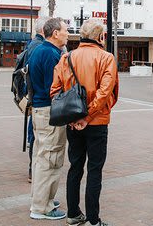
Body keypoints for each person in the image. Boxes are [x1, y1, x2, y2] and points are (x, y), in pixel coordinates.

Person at [50, 19, 118, 226]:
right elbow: (106, 93)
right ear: (100, 37)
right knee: (95, 170)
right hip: (97, 122)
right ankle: (93, 219)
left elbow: (55, 92)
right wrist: (87, 116)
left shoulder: (66, 58)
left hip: (72, 124)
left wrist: (75, 117)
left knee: (75, 167)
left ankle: (73, 213)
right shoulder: (106, 58)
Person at [29, 17, 69, 220]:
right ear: (55, 33)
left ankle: (40, 199)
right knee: (50, 158)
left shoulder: (38, 49)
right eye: (65, 30)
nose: (68, 34)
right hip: (49, 111)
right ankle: (42, 206)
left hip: (39, 110)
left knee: (42, 156)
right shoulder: (52, 54)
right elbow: (53, 88)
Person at [16, 17, 47, 183]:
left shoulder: (32, 44)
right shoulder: (40, 46)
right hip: (37, 98)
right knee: (36, 134)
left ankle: (33, 168)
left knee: (33, 132)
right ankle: (33, 169)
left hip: (31, 96)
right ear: (44, 30)